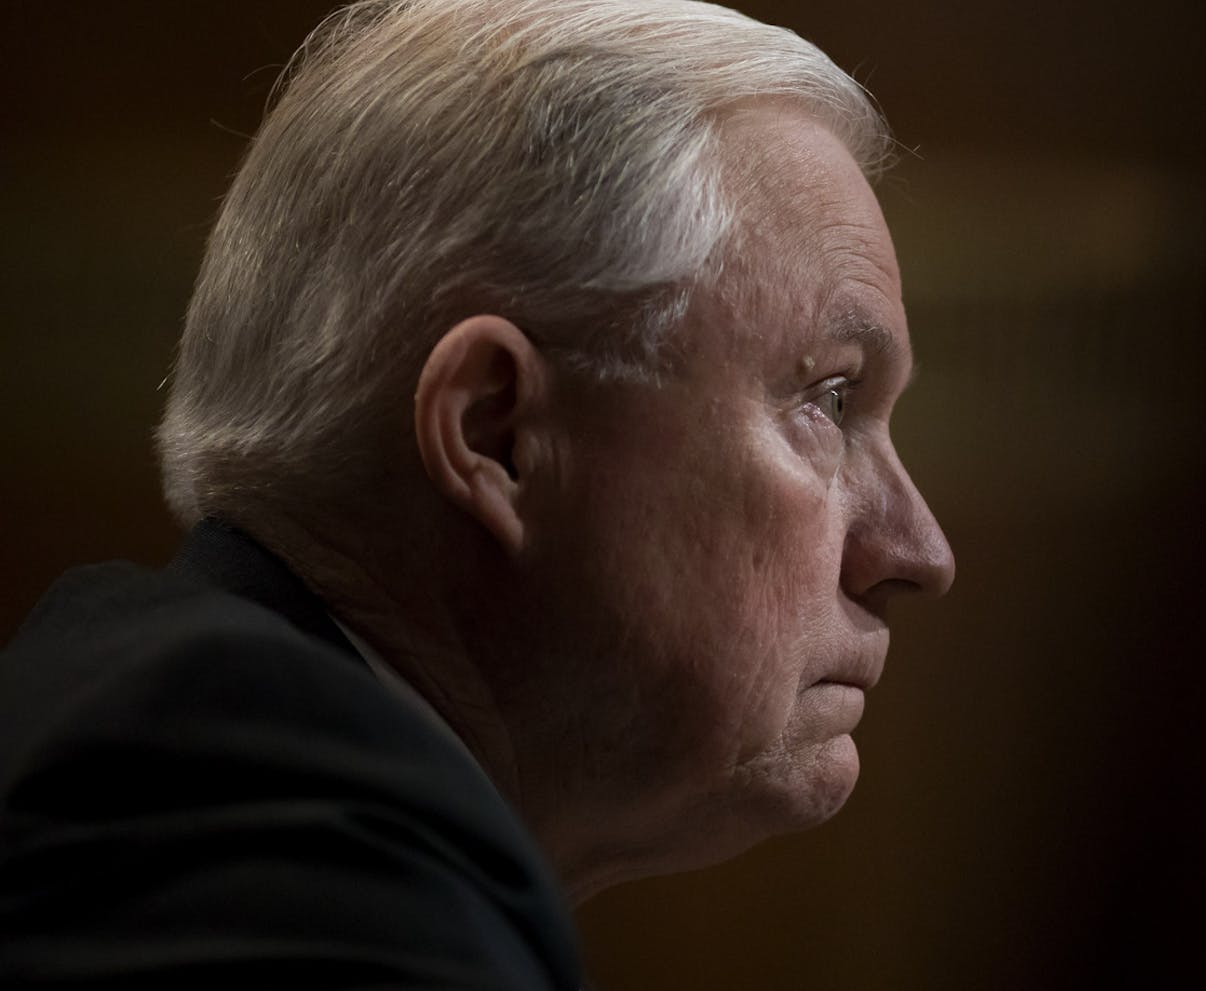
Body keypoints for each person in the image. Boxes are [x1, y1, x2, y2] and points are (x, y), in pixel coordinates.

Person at [0, 0, 954, 985]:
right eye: (829, 399)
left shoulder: (249, 782)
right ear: (495, 432)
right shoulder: (253, 836)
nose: (919, 550)